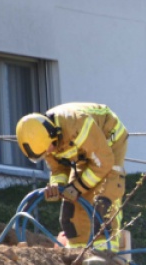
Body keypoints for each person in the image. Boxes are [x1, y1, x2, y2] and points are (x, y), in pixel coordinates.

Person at [15, 103, 128, 251]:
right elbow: (59, 169)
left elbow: (103, 162)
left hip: (110, 139)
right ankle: (76, 251)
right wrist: (57, 186)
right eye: (45, 153)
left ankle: (106, 252)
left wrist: (77, 187)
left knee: (104, 201)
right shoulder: (44, 140)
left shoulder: (76, 125)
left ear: (53, 133)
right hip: (86, 152)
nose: (49, 153)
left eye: (49, 148)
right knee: (71, 211)